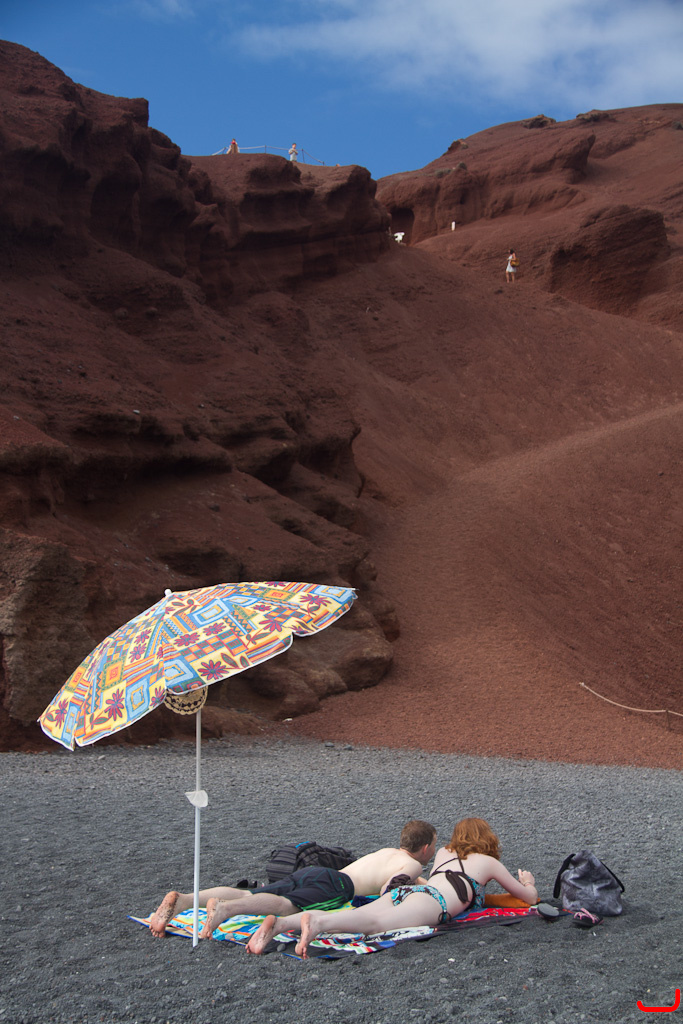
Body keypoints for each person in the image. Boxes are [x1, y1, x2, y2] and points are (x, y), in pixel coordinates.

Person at [246, 817, 539, 957]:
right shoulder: (488, 862)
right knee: (374, 924)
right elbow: (529, 898)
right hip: (433, 903)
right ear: (486, 838)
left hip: (411, 891)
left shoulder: (444, 852)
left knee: (363, 913)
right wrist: (528, 882)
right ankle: (317, 924)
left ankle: (281, 924)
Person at [148, 819, 436, 938]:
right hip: (337, 887)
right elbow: (392, 887)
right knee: (286, 906)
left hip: (317, 872)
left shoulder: (387, 852)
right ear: (425, 848)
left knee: (252, 893)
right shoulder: (413, 866)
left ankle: (185, 900)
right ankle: (225, 909)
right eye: (434, 845)